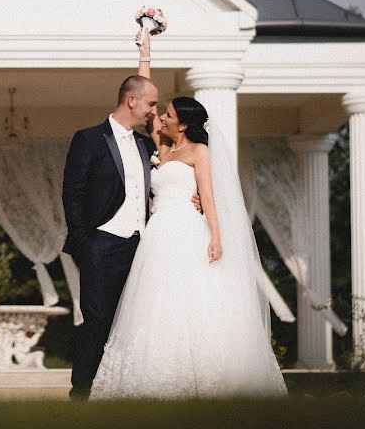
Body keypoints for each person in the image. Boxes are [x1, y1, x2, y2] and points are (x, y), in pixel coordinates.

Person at [88, 29, 287, 399]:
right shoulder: (162, 148)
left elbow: (209, 197)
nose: (159, 115)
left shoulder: (199, 152)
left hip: (189, 232)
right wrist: (146, 52)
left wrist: (216, 235)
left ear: (183, 124)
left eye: (167, 114)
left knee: (194, 300)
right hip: (158, 235)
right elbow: (142, 94)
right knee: (156, 303)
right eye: (160, 112)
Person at [61, 55, 201, 400]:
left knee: (137, 322)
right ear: (131, 100)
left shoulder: (146, 144)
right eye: (151, 104)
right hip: (102, 243)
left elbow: (174, 176)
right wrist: (85, 243)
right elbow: (72, 194)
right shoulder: (88, 139)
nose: (154, 112)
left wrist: (191, 199)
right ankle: (81, 395)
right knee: (96, 321)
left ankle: (117, 393)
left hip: (144, 247)